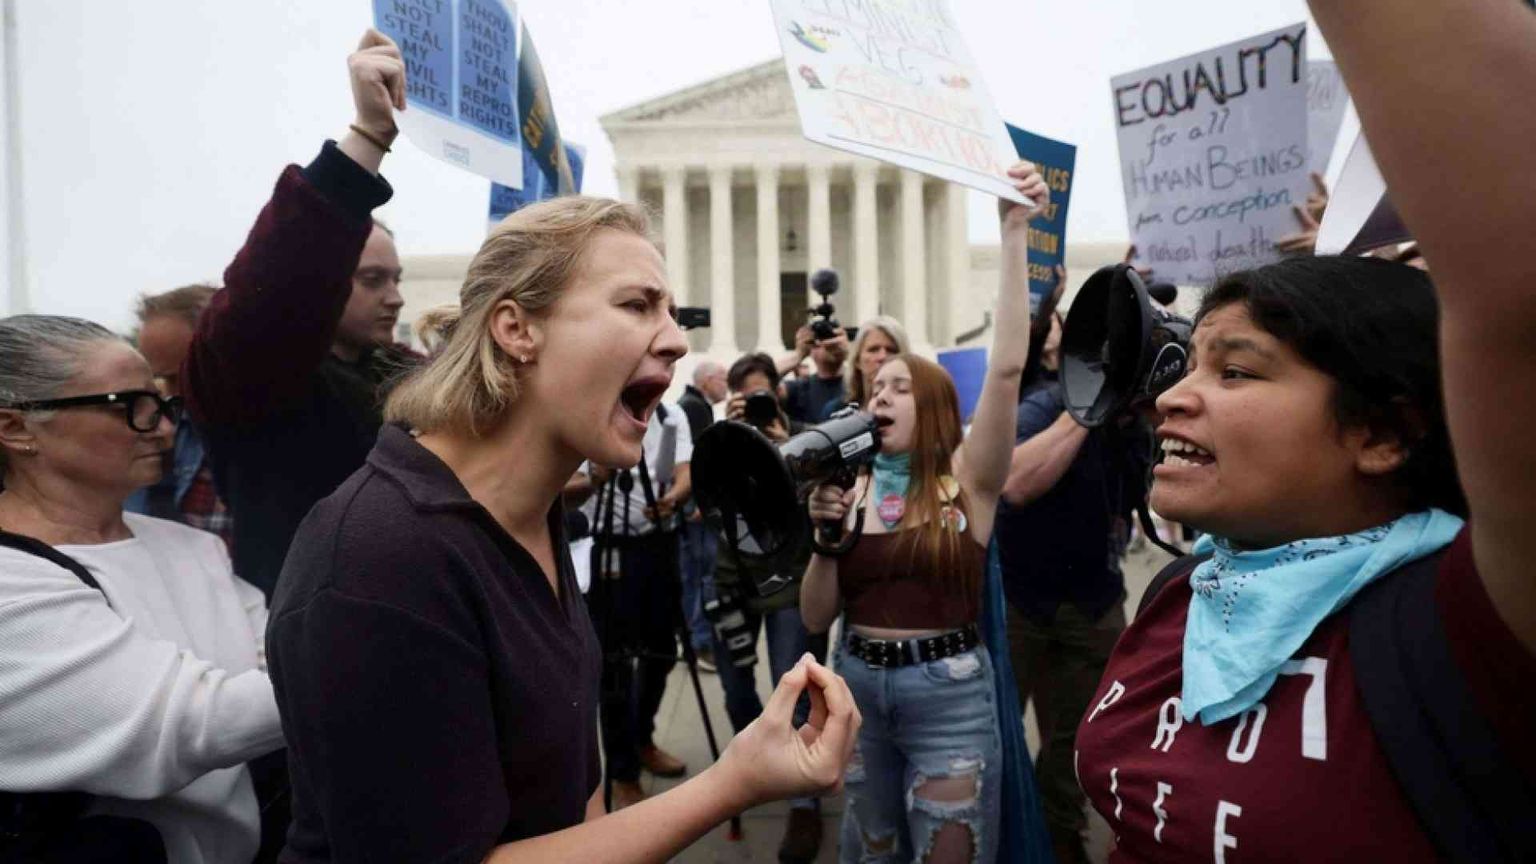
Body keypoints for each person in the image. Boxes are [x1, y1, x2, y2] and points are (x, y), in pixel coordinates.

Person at [264, 31, 859, 863]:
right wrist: (733, 782)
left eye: (670, 311)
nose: (676, 340)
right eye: (637, 305)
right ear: (517, 329)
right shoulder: (377, 562)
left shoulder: (531, 519)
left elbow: (563, 799)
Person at [800, 163, 1049, 863]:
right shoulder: (850, 489)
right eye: (876, 386)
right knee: (873, 849)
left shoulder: (969, 480)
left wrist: (1013, 232)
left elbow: (1007, 368)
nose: (880, 396)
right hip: (858, 692)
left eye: (901, 387)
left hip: (949, 701)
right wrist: (824, 538)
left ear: (936, 406)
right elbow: (816, 617)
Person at [0, 315, 284, 863]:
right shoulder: (11, 579)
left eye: (162, 404)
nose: (164, 430)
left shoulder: (190, 547)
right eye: (128, 405)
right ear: (15, 428)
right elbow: (184, 727)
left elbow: (279, 655)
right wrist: (366, 653)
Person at [182, 35, 412, 599]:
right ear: (325, 279)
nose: (396, 298)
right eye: (372, 280)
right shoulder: (256, 384)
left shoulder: (407, 375)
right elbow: (278, 289)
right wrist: (368, 138)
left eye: (397, 279)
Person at [995, 307, 1153, 863]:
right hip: (1020, 599)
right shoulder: (1045, 405)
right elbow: (1016, 482)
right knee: (994, 733)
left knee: (1079, 740)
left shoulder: (1133, 425)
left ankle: (1060, 833)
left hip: (1093, 602)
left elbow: (1145, 500)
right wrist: (1086, 411)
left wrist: (1137, 416)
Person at [713, 351, 830, 862]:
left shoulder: (803, 437)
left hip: (789, 583)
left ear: (779, 393)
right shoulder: (722, 444)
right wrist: (728, 439)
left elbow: (820, 503)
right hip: (734, 583)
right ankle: (752, 768)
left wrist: (784, 451)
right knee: (737, 690)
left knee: (796, 688)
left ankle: (803, 803)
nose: (758, 405)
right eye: (747, 399)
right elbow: (705, 505)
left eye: (764, 394)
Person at [582, 395, 694, 809]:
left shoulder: (670, 414)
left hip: (657, 543)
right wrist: (595, 476)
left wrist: (673, 498)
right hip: (606, 546)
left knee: (663, 650)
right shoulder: (592, 409)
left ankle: (642, 737)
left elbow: (685, 470)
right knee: (614, 662)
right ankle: (622, 769)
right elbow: (562, 486)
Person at [126, 284, 233, 548]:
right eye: (161, 379)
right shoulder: (164, 428)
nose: (172, 394)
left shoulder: (279, 431)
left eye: (180, 377)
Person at [677, 360, 727, 667]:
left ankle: (691, 640)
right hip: (698, 506)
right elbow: (698, 459)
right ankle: (699, 642)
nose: (726, 385)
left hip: (694, 503)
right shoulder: (695, 408)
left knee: (693, 575)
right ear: (706, 380)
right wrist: (701, 500)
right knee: (704, 575)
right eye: (722, 378)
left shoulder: (692, 405)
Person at [779, 324, 852, 423]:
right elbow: (761, 385)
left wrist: (851, 354)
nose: (828, 344)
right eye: (821, 339)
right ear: (811, 348)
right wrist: (798, 356)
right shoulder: (800, 389)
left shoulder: (858, 385)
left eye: (832, 337)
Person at [844, 316, 910, 410]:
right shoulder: (838, 411)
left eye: (892, 350)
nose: (883, 357)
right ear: (857, 360)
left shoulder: (918, 411)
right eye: (873, 350)